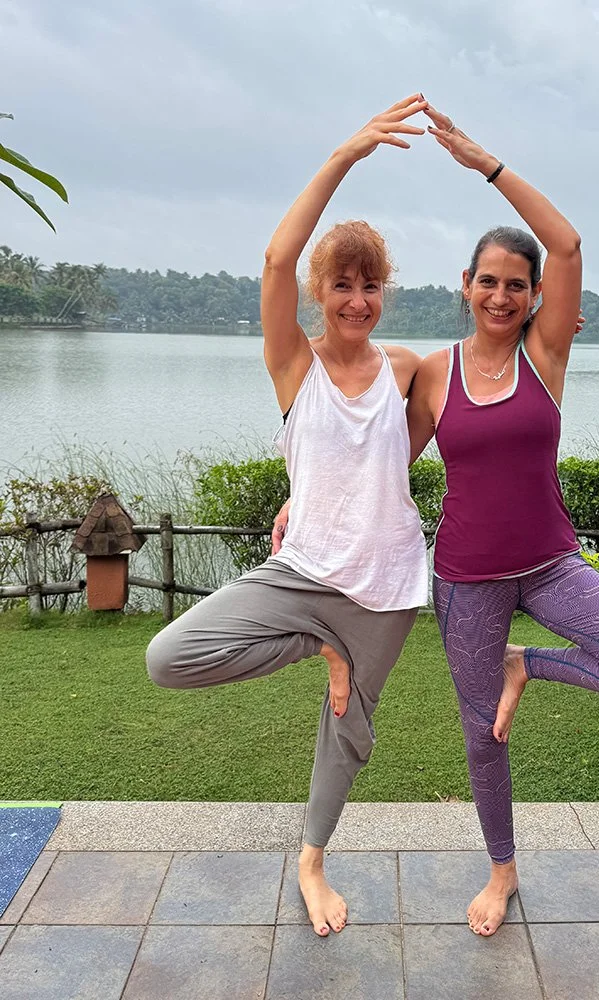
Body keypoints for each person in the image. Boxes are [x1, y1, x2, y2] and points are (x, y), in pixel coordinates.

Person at [405, 103, 599, 937]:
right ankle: (502, 872)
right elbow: (387, 468)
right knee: (481, 737)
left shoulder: (546, 354)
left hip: (550, 565)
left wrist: (483, 162)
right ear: (465, 286)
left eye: (515, 284)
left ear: (535, 296)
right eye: (486, 280)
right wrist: (299, 501)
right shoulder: (432, 373)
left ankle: (524, 663)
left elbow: (566, 243)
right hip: (464, 580)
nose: (500, 294)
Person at [146, 95, 430, 937]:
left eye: (369, 284)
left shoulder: (410, 368)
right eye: (341, 284)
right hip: (302, 571)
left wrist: (549, 322)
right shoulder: (292, 364)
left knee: (347, 737)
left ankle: (311, 862)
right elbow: (273, 259)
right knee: (169, 656)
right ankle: (318, 646)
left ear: (383, 292)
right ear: (318, 290)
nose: (356, 299)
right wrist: (345, 153)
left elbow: (406, 449)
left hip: (383, 586)